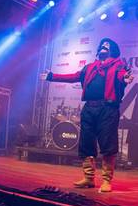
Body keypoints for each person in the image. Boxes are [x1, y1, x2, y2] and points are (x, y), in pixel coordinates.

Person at [41, 38, 133, 193]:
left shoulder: (118, 66)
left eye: (107, 46)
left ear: (113, 51)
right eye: (102, 45)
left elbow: (122, 76)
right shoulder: (90, 67)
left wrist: (125, 78)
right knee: (86, 143)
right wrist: (52, 76)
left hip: (108, 109)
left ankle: (106, 180)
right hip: (89, 108)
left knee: (108, 144)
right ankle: (89, 178)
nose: (103, 47)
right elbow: (73, 77)